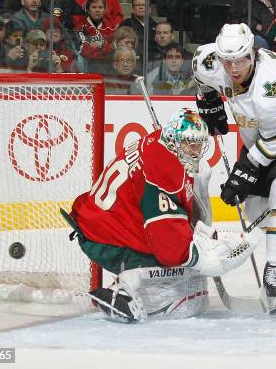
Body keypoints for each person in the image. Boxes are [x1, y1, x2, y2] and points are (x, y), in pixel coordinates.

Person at [64, 108, 260, 321]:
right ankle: (123, 290)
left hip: (104, 221)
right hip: (107, 239)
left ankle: (128, 286)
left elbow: (172, 213)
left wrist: (208, 236)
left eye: (198, 144)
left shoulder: (159, 142)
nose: (195, 151)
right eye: (189, 144)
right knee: (179, 268)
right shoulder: (163, 171)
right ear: (174, 141)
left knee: (183, 253)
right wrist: (202, 259)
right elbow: (170, 248)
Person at [192, 23, 276, 305]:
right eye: (228, 61)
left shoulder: (272, 86)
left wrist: (246, 170)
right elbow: (200, 72)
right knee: (254, 207)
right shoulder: (209, 60)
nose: (234, 68)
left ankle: (274, 271)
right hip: (263, 133)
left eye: (240, 60)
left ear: (253, 53)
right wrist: (210, 100)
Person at [74, 0, 117, 74]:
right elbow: (84, 51)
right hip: (87, 67)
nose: (97, 10)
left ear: (105, 10)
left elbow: (113, 49)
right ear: (88, 9)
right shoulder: (81, 27)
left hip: (106, 67)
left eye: (100, 7)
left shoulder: (110, 27)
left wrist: (101, 46)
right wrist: (104, 49)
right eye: (94, 7)